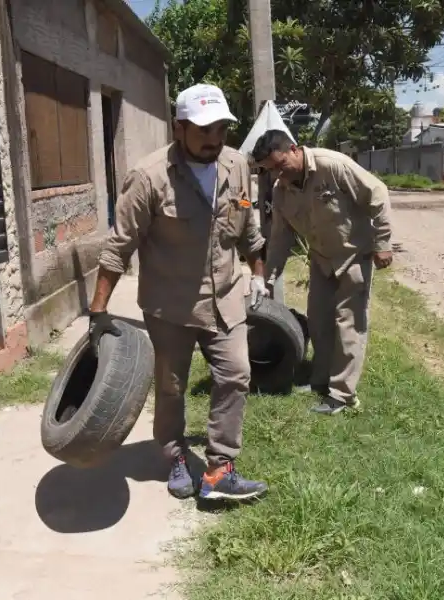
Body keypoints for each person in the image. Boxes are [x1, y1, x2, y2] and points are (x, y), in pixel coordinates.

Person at [88, 83, 269, 501]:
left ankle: (220, 467)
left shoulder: (237, 165)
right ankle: (174, 455)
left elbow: (248, 227)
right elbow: (119, 246)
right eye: (204, 129)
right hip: (170, 305)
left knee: (236, 374)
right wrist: (98, 312)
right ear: (179, 127)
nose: (214, 138)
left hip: (224, 297)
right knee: (171, 386)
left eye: (221, 128)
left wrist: (258, 274)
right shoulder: (149, 176)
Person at [251, 130, 393, 416]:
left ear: (293, 149)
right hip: (321, 259)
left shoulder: (332, 165)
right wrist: (265, 278)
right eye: (270, 170)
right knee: (318, 321)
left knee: (348, 322)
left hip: (354, 254)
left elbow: (377, 193)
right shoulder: (281, 190)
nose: (278, 173)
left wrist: (383, 242)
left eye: (280, 165)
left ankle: (342, 395)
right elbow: (280, 239)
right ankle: (321, 382)